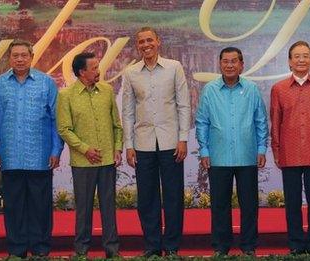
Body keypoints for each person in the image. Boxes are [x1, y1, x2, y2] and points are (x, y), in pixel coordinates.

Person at [0, 39, 64, 259]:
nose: (19, 59)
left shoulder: (46, 83)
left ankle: (40, 249)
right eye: (15, 55)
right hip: (10, 157)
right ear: (9, 58)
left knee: (41, 207)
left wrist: (56, 151)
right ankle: (16, 249)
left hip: (40, 157)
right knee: (13, 207)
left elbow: (57, 119)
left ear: (31, 57)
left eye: (24, 55)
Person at [121, 26, 191, 257]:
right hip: (143, 144)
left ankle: (171, 246)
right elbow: (128, 112)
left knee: (173, 196)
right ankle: (152, 245)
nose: (146, 45)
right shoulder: (130, 73)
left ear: (158, 42)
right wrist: (129, 145)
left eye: (149, 40)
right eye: (141, 41)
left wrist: (183, 139)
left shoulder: (174, 67)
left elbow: (183, 105)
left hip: (171, 142)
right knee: (147, 198)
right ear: (137, 45)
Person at [195, 47, 268, 256]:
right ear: (220, 64)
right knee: (219, 206)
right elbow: (202, 122)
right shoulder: (209, 90)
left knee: (249, 206)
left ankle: (249, 247)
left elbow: (261, 121)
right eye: (225, 61)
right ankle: (220, 247)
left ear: (241, 64)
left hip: (247, 155)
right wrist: (204, 150)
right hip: (218, 156)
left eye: (234, 61)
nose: (229, 65)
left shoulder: (252, 89)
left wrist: (262, 148)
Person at [270, 41, 310, 255]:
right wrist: (277, 151)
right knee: (292, 202)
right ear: (289, 61)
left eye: (305, 56)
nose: (301, 60)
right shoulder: (278, 89)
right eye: (296, 56)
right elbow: (275, 122)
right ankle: (296, 243)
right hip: (289, 154)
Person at [57, 52, 122, 258]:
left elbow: (117, 125)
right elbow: (64, 129)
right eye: (94, 68)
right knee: (83, 208)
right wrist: (86, 149)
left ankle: (112, 251)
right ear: (81, 72)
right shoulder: (66, 95)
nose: (98, 71)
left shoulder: (107, 91)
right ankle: (81, 250)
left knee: (109, 208)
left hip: (107, 160)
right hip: (82, 162)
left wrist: (118, 149)